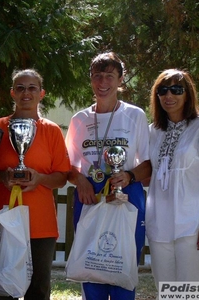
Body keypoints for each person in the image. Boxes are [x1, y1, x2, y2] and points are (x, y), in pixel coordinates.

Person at [65, 51, 151, 300]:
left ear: (121, 80)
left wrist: (129, 176)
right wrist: (80, 179)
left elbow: (147, 164)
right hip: (89, 194)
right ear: (91, 79)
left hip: (126, 194)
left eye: (109, 76)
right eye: (97, 76)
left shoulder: (135, 115)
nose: (103, 83)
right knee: (91, 266)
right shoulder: (79, 119)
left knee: (123, 267)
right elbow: (67, 165)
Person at [0, 69, 71, 300]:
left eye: (32, 88)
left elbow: (62, 177)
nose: (26, 93)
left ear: (41, 93)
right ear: (12, 93)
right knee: (4, 289)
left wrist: (40, 179)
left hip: (40, 224)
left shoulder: (52, 131)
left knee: (38, 290)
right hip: (4, 220)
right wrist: (2, 177)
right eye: (20, 88)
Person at [146, 69, 199, 290]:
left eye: (176, 90)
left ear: (188, 94)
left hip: (192, 225)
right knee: (166, 291)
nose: (168, 96)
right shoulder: (153, 132)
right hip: (159, 224)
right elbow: (147, 171)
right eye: (163, 90)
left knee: (187, 292)